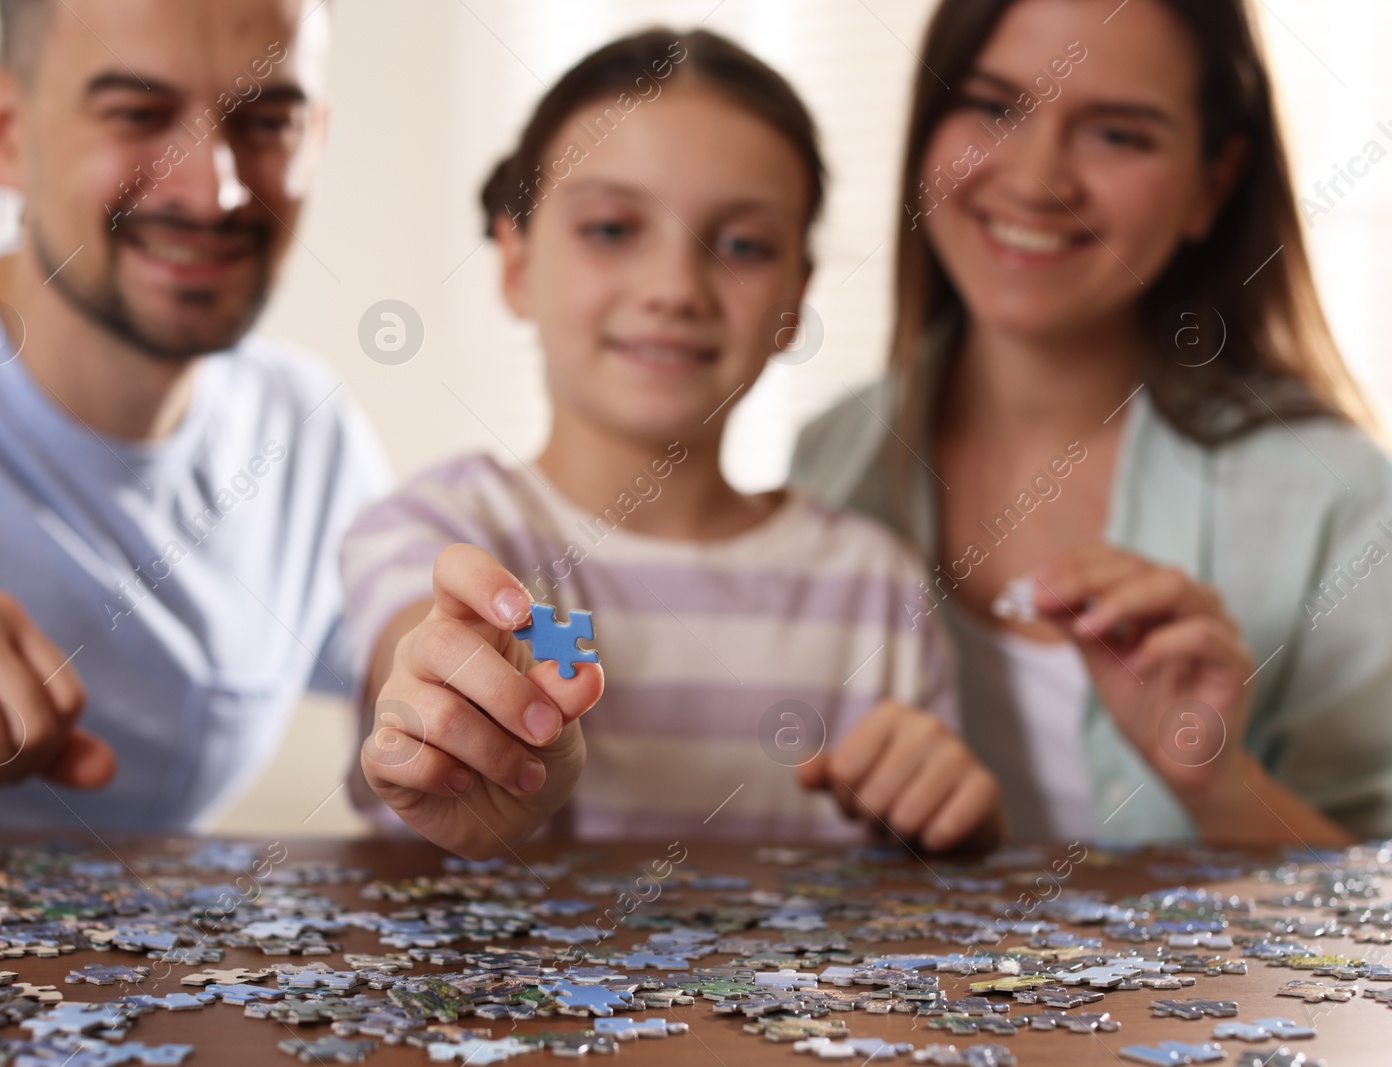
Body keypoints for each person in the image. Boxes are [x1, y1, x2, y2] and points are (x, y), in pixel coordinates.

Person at [341, 30, 1003, 862]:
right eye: (613, 228)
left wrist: (957, 828)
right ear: (515, 261)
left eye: (742, 246)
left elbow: (928, 844)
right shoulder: (439, 530)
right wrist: (450, 700)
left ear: (796, 298)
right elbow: (412, 646)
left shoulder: (879, 588)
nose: (675, 289)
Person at [793, 0, 1392, 844]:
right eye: (994, 106)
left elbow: (1375, 930)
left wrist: (1218, 784)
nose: (1038, 180)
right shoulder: (828, 461)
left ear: (1211, 185)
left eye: (1119, 134)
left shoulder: (1342, 501)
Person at [0, 0, 388, 829]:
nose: (213, 189)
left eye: (267, 121)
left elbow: (415, 661)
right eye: (139, 114)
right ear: (4, 132)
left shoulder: (306, 427)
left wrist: (488, 724)